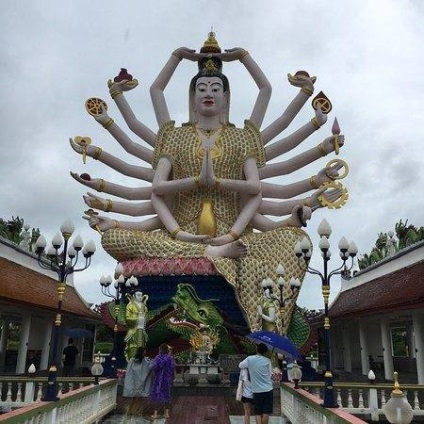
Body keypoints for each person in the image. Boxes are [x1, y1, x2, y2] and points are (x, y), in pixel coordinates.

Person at [71, 32, 346, 335]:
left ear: (226, 97)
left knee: (297, 242)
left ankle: (257, 321)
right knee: (113, 239)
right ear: (192, 98)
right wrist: (177, 56)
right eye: (201, 87)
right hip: (177, 239)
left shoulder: (241, 138)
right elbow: (157, 189)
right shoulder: (174, 137)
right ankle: (211, 256)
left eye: (216, 87)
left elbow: (256, 191)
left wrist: (234, 216)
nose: (208, 92)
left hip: (236, 238)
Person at [239, 343, 273, 424]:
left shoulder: (250, 359)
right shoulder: (268, 360)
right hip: (268, 389)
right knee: (266, 412)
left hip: (257, 391)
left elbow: (240, 365)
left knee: (258, 412)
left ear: (257, 349)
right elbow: (270, 374)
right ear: (264, 351)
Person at [123, 346, 153, 416]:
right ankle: (138, 411)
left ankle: (130, 411)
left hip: (134, 381)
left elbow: (129, 371)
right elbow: (149, 368)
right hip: (141, 383)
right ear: (143, 352)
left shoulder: (132, 360)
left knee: (134, 398)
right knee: (140, 398)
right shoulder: (145, 361)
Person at [150, 343, 176, 420]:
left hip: (158, 379)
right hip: (167, 379)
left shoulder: (157, 358)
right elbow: (172, 368)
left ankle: (155, 414)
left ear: (160, 349)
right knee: (167, 395)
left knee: (157, 395)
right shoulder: (170, 358)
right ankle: (167, 414)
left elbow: (155, 368)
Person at [124, 291, 149, 361]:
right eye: (138, 295)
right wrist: (137, 319)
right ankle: (131, 362)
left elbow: (147, 318)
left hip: (142, 331)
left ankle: (141, 362)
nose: (140, 297)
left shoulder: (144, 307)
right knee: (133, 346)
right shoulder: (130, 305)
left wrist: (144, 319)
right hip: (134, 330)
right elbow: (127, 318)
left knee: (142, 347)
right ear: (134, 296)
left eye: (141, 295)